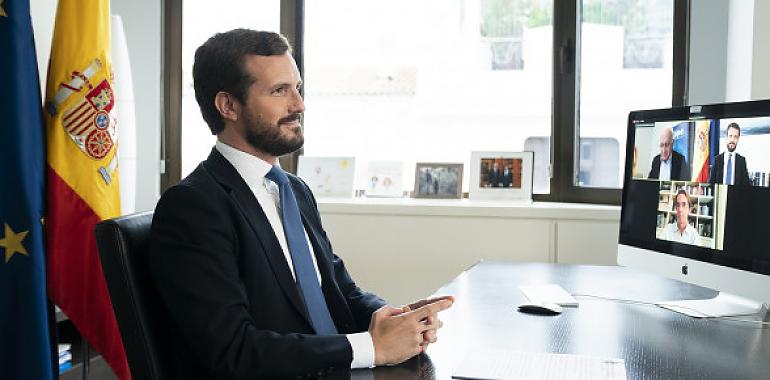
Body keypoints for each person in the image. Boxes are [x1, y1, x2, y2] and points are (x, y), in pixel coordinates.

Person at [148, 29, 453, 379]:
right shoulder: (193, 207)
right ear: (228, 105)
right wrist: (373, 347)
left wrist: (395, 320)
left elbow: (339, 290)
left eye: (298, 88)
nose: (299, 105)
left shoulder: (294, 189)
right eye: (279, 91)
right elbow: (232, 350)